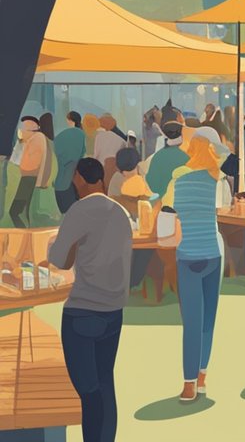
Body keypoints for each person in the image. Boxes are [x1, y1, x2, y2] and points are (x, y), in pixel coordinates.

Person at [49, 158, 131, 442]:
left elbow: (58, 259)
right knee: (105, 384)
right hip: (114, 310)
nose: (73, 182)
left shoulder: (79, 211)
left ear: (82, 179)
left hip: (82, 312)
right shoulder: (120, 212)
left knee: (88, 391)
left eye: (75, 177)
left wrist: (56, 244)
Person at [170, 136, 224, 402]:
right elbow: (222, 211)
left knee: (191, 321)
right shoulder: (218, 180)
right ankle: (202, 376)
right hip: (213, 253)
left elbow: (170, 216)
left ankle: (188, 384)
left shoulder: (178, 178)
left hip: (187, 255)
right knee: (208, 321)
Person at [12, 116, 50, 227]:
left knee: (15, 212)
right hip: (29, 178)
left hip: (29, 178)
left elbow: (31, 164)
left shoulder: (37, 138)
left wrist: (23, 168)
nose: (22, 130)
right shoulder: (33, 139)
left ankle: (24, 235)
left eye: (25, 128)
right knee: (23, 211)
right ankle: (26, 233)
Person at [53, 111, 86, 214]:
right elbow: (82, 152)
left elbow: (56, 149)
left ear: (69, 120)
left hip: (62, 172)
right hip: (74, 173)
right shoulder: (81, 133)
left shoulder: (62, 135)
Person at [145, 121, 188, 201]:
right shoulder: (187, 157)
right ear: (182, 135)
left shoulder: (157, 157)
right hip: (182, 203)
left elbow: (152, 185)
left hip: (162, 204)